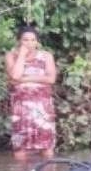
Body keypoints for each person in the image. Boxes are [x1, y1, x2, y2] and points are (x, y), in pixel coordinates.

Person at [5, 26, 57, 160]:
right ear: (19, 41)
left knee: (46, 145)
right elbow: (15, 76)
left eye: (33, 40)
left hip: (42, 107)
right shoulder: (11, 56)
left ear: (37, 42)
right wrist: (22, 55)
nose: (29, 43)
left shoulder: (46, 56)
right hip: (21, 108)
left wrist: (26, 78)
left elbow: (51, 79)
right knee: (20, 146)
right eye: (25, 40)